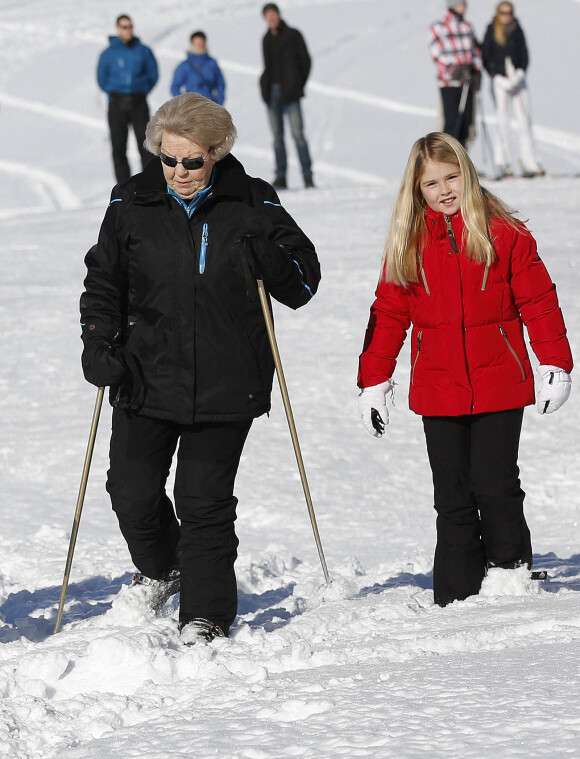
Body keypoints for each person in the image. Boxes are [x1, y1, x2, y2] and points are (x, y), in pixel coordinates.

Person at [79, 93, 320, 644]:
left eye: (193, 161)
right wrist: (99, 341)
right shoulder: (129, 203)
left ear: (217, 152)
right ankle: (168, 569)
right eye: (169, 159)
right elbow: (103, 283)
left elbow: (303, 283)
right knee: (131, 492)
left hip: (226, 380)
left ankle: (205, 614)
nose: (179, 173)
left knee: (202, 499)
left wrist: (272, 259)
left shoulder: (253, 202)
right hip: (144, 375)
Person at [357, 132, 572, 608]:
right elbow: (389, 313)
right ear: (417, 191)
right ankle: (456, 591)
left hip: (500, 381)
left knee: (495, 484)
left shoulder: (505, 234)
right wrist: (374, 379)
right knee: (451, 494)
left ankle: (509, 568)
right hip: (438, 387)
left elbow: (538, 300)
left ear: (467, 175)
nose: (444, 190)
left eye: (451, 176)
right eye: (431, 183)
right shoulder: (408, 244)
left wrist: (554, 361)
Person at [481, 3, 544, 179]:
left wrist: (520, 71)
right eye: (503, 13)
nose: (506, 16)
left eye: (509, 13)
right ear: (497, 13)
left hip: (517, 77)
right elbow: (485, 55)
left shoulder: (517, 29)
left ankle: (529, 161)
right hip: (500, 79)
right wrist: (495, 76)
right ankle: (503, 163)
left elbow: (524, 54)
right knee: (502, 120)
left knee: (524, 119)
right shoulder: (491, 29)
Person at [97, 15, 158, 183]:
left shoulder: (143, 51)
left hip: (138, 103)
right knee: (118, 147)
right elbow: (101, 78)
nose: (128, 30)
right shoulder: (108, 54)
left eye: (130, 26)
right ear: (118, 28)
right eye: (124, 27)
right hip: (116, 104)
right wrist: (115, 94)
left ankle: (150, 184)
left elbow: (153, 74)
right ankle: (124, 188)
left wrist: (141, 92)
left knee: (146, 146)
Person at [260, 3, 314, 189]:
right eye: (268, 15)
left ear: (278, 15)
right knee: (277, 138)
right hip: (272, 94)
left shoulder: (293, 35)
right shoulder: (266, 39)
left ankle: (307, 176)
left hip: (291, 94)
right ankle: (281, 176)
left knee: (298, 135)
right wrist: (265, 88)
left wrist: (297, 85)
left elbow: (306, 61)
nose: (271, 18)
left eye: (273, 14)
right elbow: (267, 66)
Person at [428, 2, 482, 149]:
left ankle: (461, 163)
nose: (465, 6)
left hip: (467, 82)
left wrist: (476, 70)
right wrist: (455, 70)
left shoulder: (467, 26)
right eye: (461, 3)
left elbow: (475, 51)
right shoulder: (439, 27)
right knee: (451, 123)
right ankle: (444, 161)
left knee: (467, 124)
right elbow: (436, 53)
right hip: (449, 83)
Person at [170, 31, 226, 105]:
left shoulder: (212, 63)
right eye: (197, 43)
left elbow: (220, 84)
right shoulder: (185, 65)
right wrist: (183, 104)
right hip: (191, 107)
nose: (199, 45)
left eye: (201, 43)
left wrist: (219, 103)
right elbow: (174, 87)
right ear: (192, 44)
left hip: (209, 106)